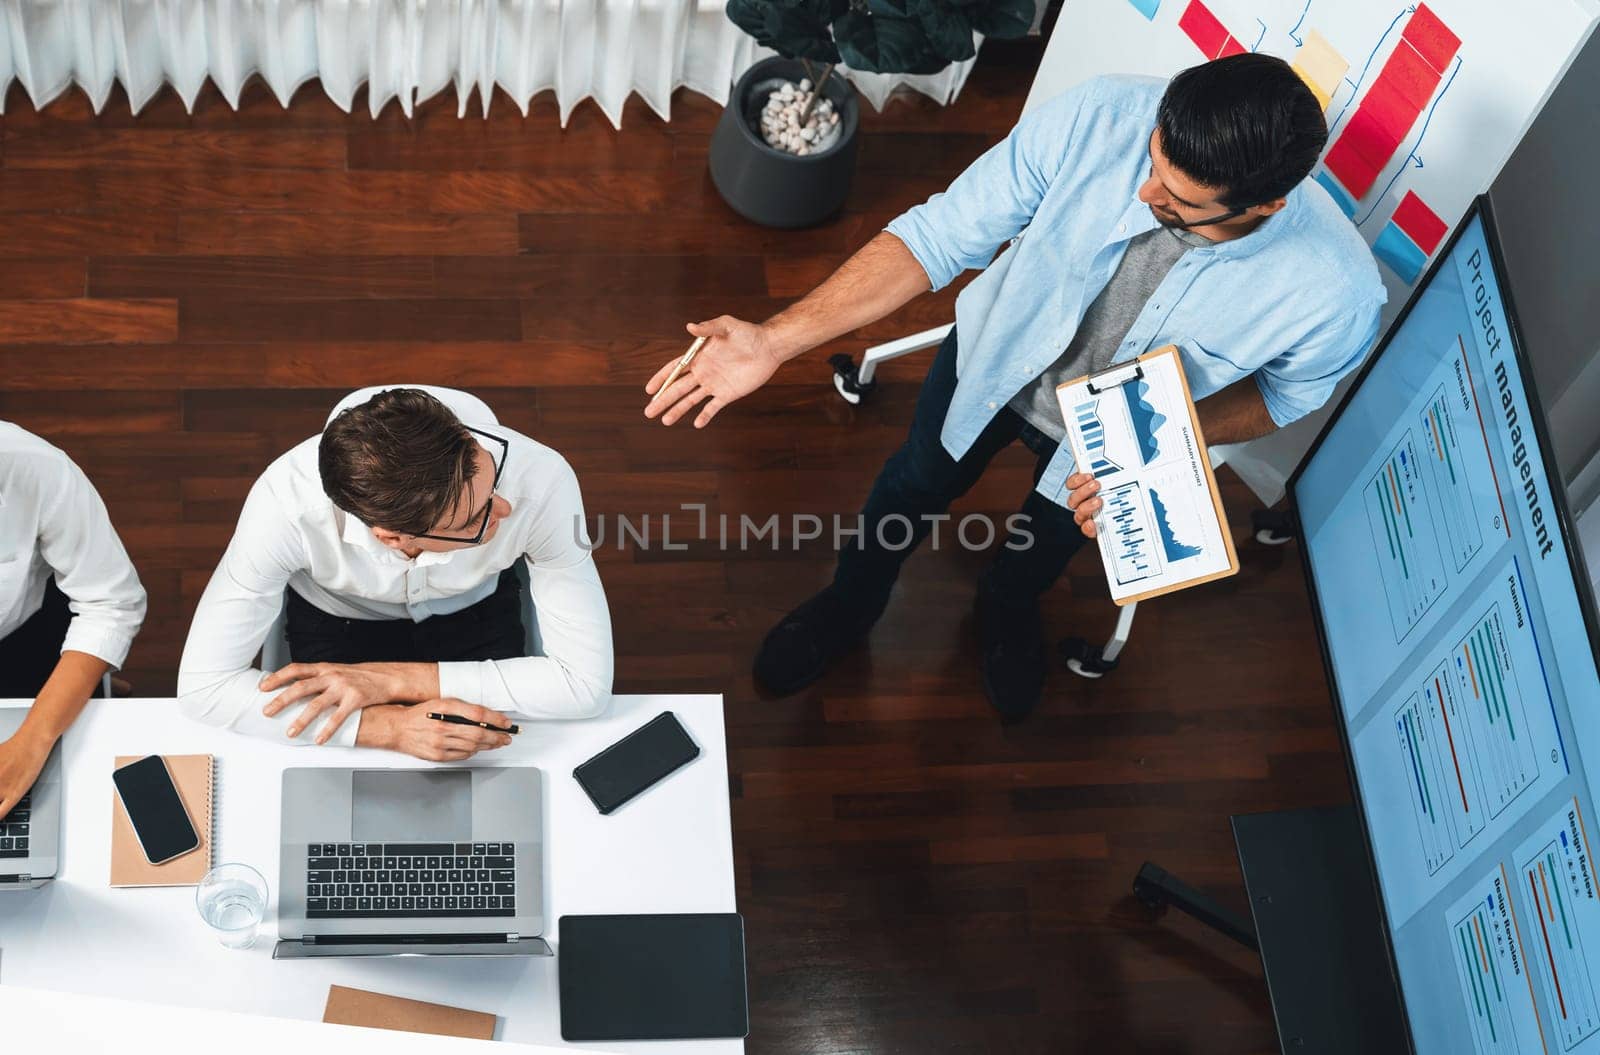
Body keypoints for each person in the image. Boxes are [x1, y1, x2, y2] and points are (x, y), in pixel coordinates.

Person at [642, 55, 1385, 720]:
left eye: (1173, 198)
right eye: (1152, 159)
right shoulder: (1102, 115)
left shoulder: (1336, 291)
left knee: (1046, 544)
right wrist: (776, 339)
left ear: (1263, 206)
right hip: (992, 360)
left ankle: (1005, 608)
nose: (1143, 186)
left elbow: (1286, 396)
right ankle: (849, 601)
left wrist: (1157, 432)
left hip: (1114, 439)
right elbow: (937, 237)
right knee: (910, 484)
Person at [178, 388, 613, 760]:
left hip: (477, 615)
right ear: (394, 538)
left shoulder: (544, 478)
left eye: (492, 483)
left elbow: (584, 686)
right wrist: (390, 727)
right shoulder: (284, 506)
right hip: (338, 629)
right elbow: (205, 687)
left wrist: (389, 680)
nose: (506, 510)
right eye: (472, 521)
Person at [0, 422, 147, 818]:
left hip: (21, 638)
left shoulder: (36, 467)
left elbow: (111, 603)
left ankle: (98, 688)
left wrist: (32, 742)